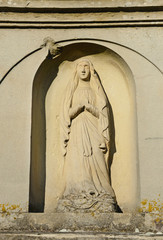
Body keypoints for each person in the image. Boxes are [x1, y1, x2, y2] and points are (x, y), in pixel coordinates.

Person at [58, 59, 116, 212]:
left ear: (91, 70)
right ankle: (75, 192)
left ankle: (101, 191)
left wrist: (89, 107)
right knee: (76, 160)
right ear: (76, 70)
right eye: (80, 67)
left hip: (93, 130)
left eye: (86, 66)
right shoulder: (72, 90)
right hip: (77, 131)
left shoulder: (96, 90)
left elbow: (103, 114)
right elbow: (65, 115)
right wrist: (78, 107)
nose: (83, 70)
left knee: (96, 158)